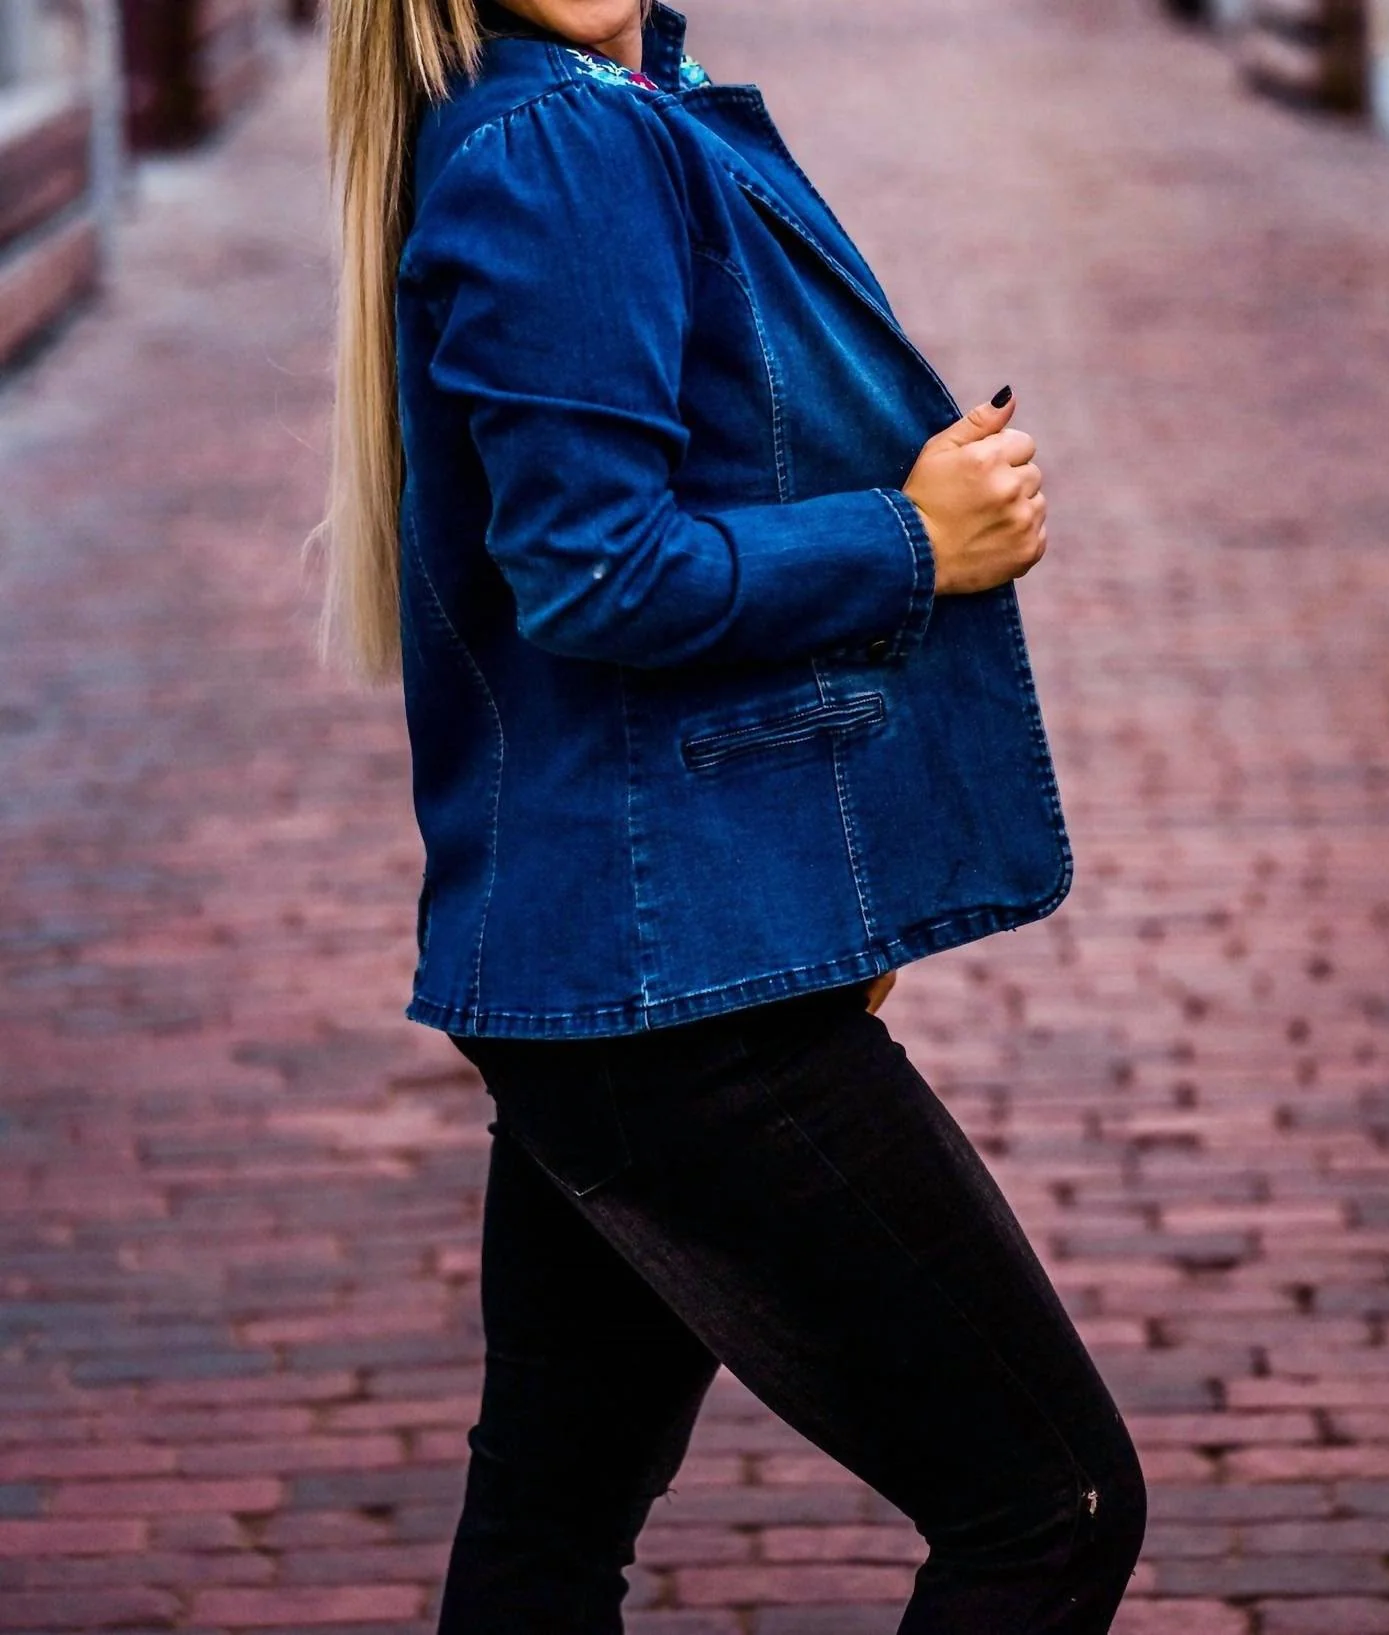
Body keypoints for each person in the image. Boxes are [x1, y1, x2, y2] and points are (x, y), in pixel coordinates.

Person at [315, 1, 1147, 1629]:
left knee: (550, 1533)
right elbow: (596, 569)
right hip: (675, 985)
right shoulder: (563, 143)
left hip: (630, 963)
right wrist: (914, 539)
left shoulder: (587, 106)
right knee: (1053, 1504)